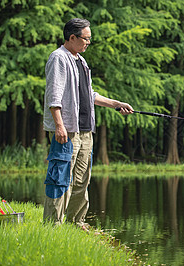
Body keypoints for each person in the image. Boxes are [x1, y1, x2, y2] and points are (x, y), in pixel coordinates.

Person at [43, 18, 133, 228]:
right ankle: (52, 226)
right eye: (86, 38)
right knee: (60, 178)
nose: (88, 43)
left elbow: (89, 94)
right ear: (72, 37)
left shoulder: (81, 61)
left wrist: (115, 104)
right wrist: (59, 125)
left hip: (85, 131)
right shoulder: (58, 58)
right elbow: (53, 96)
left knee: (82, 179)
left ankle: (76, 222)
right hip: (67, 131)